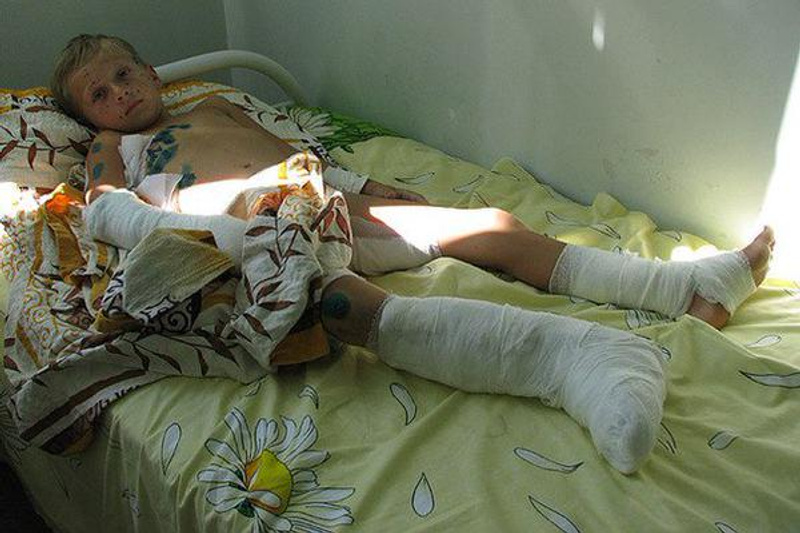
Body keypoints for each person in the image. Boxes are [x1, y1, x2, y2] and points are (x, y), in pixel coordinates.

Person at [50, 34, 773, 474]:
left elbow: (293, 153)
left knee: (487, 223)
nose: (119, 94)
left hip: (312, 200)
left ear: (151, 72)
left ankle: (681, 290)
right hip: (241, 236)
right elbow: (107, 212)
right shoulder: (116, 146)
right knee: (338, 301)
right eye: (98, 95)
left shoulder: (218, 104)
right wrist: (225, 234)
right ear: (88, 118)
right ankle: (576, 359)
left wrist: (361, 185)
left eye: (124, 74)